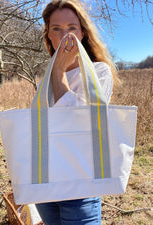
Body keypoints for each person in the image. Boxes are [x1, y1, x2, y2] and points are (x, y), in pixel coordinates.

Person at [35, 0, 118, 224]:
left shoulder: (99, 72)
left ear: (82, 33)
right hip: (45, 184)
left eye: (72, 28)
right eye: (57, 29)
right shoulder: (47, 77)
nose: (66, 36)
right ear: (49, 35)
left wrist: (60, 71)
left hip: (79, 187)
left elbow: (78, 124)